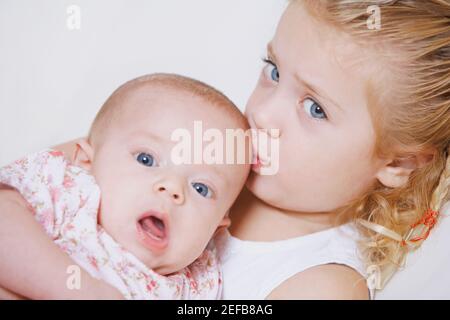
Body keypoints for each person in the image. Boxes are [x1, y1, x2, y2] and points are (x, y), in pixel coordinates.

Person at [1, 0, 449, 299]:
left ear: (398, 162)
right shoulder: (191, 145)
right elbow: (14, 202)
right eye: (273, 71)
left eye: (314, 109)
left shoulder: (321, 285)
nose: (264, 114)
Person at [0, 73, 251, 299]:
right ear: (87, 161)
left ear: (217, 227)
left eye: (201, 188)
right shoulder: (68, 191)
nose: (173, 188)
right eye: (146, 159)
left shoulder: (198, 282)